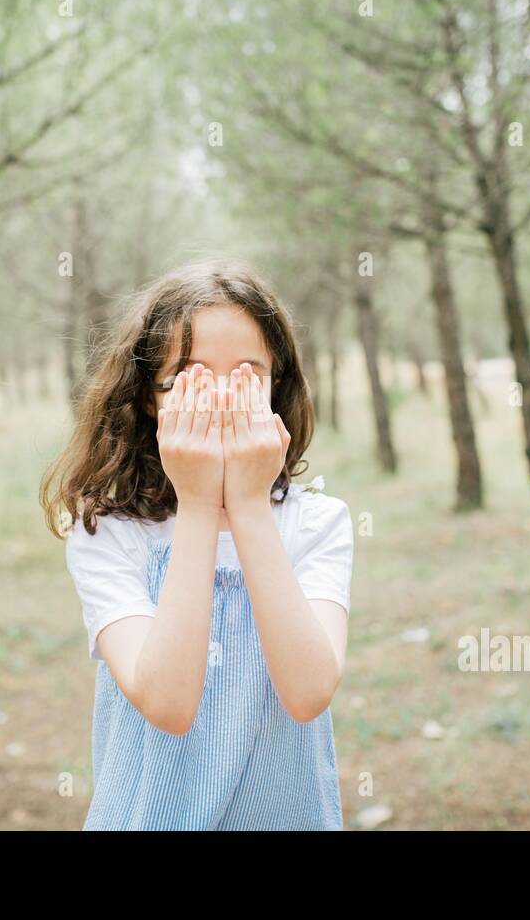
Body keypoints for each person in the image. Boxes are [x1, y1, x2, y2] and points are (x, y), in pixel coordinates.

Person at [40, 258, 354, 830]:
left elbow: (308, 693)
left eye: (245, 377)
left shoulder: (319, 524)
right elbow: (169, 704)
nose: (219, 400)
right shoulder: (109, 534)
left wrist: (250, 505)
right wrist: (201, 504)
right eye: (191, 378)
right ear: (147, 398)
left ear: (276, 389)